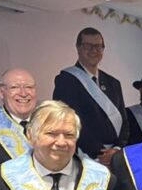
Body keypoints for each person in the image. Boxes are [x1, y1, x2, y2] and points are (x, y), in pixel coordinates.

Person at [53, 27, 127, 164]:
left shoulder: (114, 83)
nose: (94, 50)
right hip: (85, 157)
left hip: (115, 157)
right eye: (88, 46)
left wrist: (117, 149)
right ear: (78, 48)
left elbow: (124, 122)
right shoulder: (66, 80)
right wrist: (100, 153)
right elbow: (68, 122)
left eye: (98, 46)